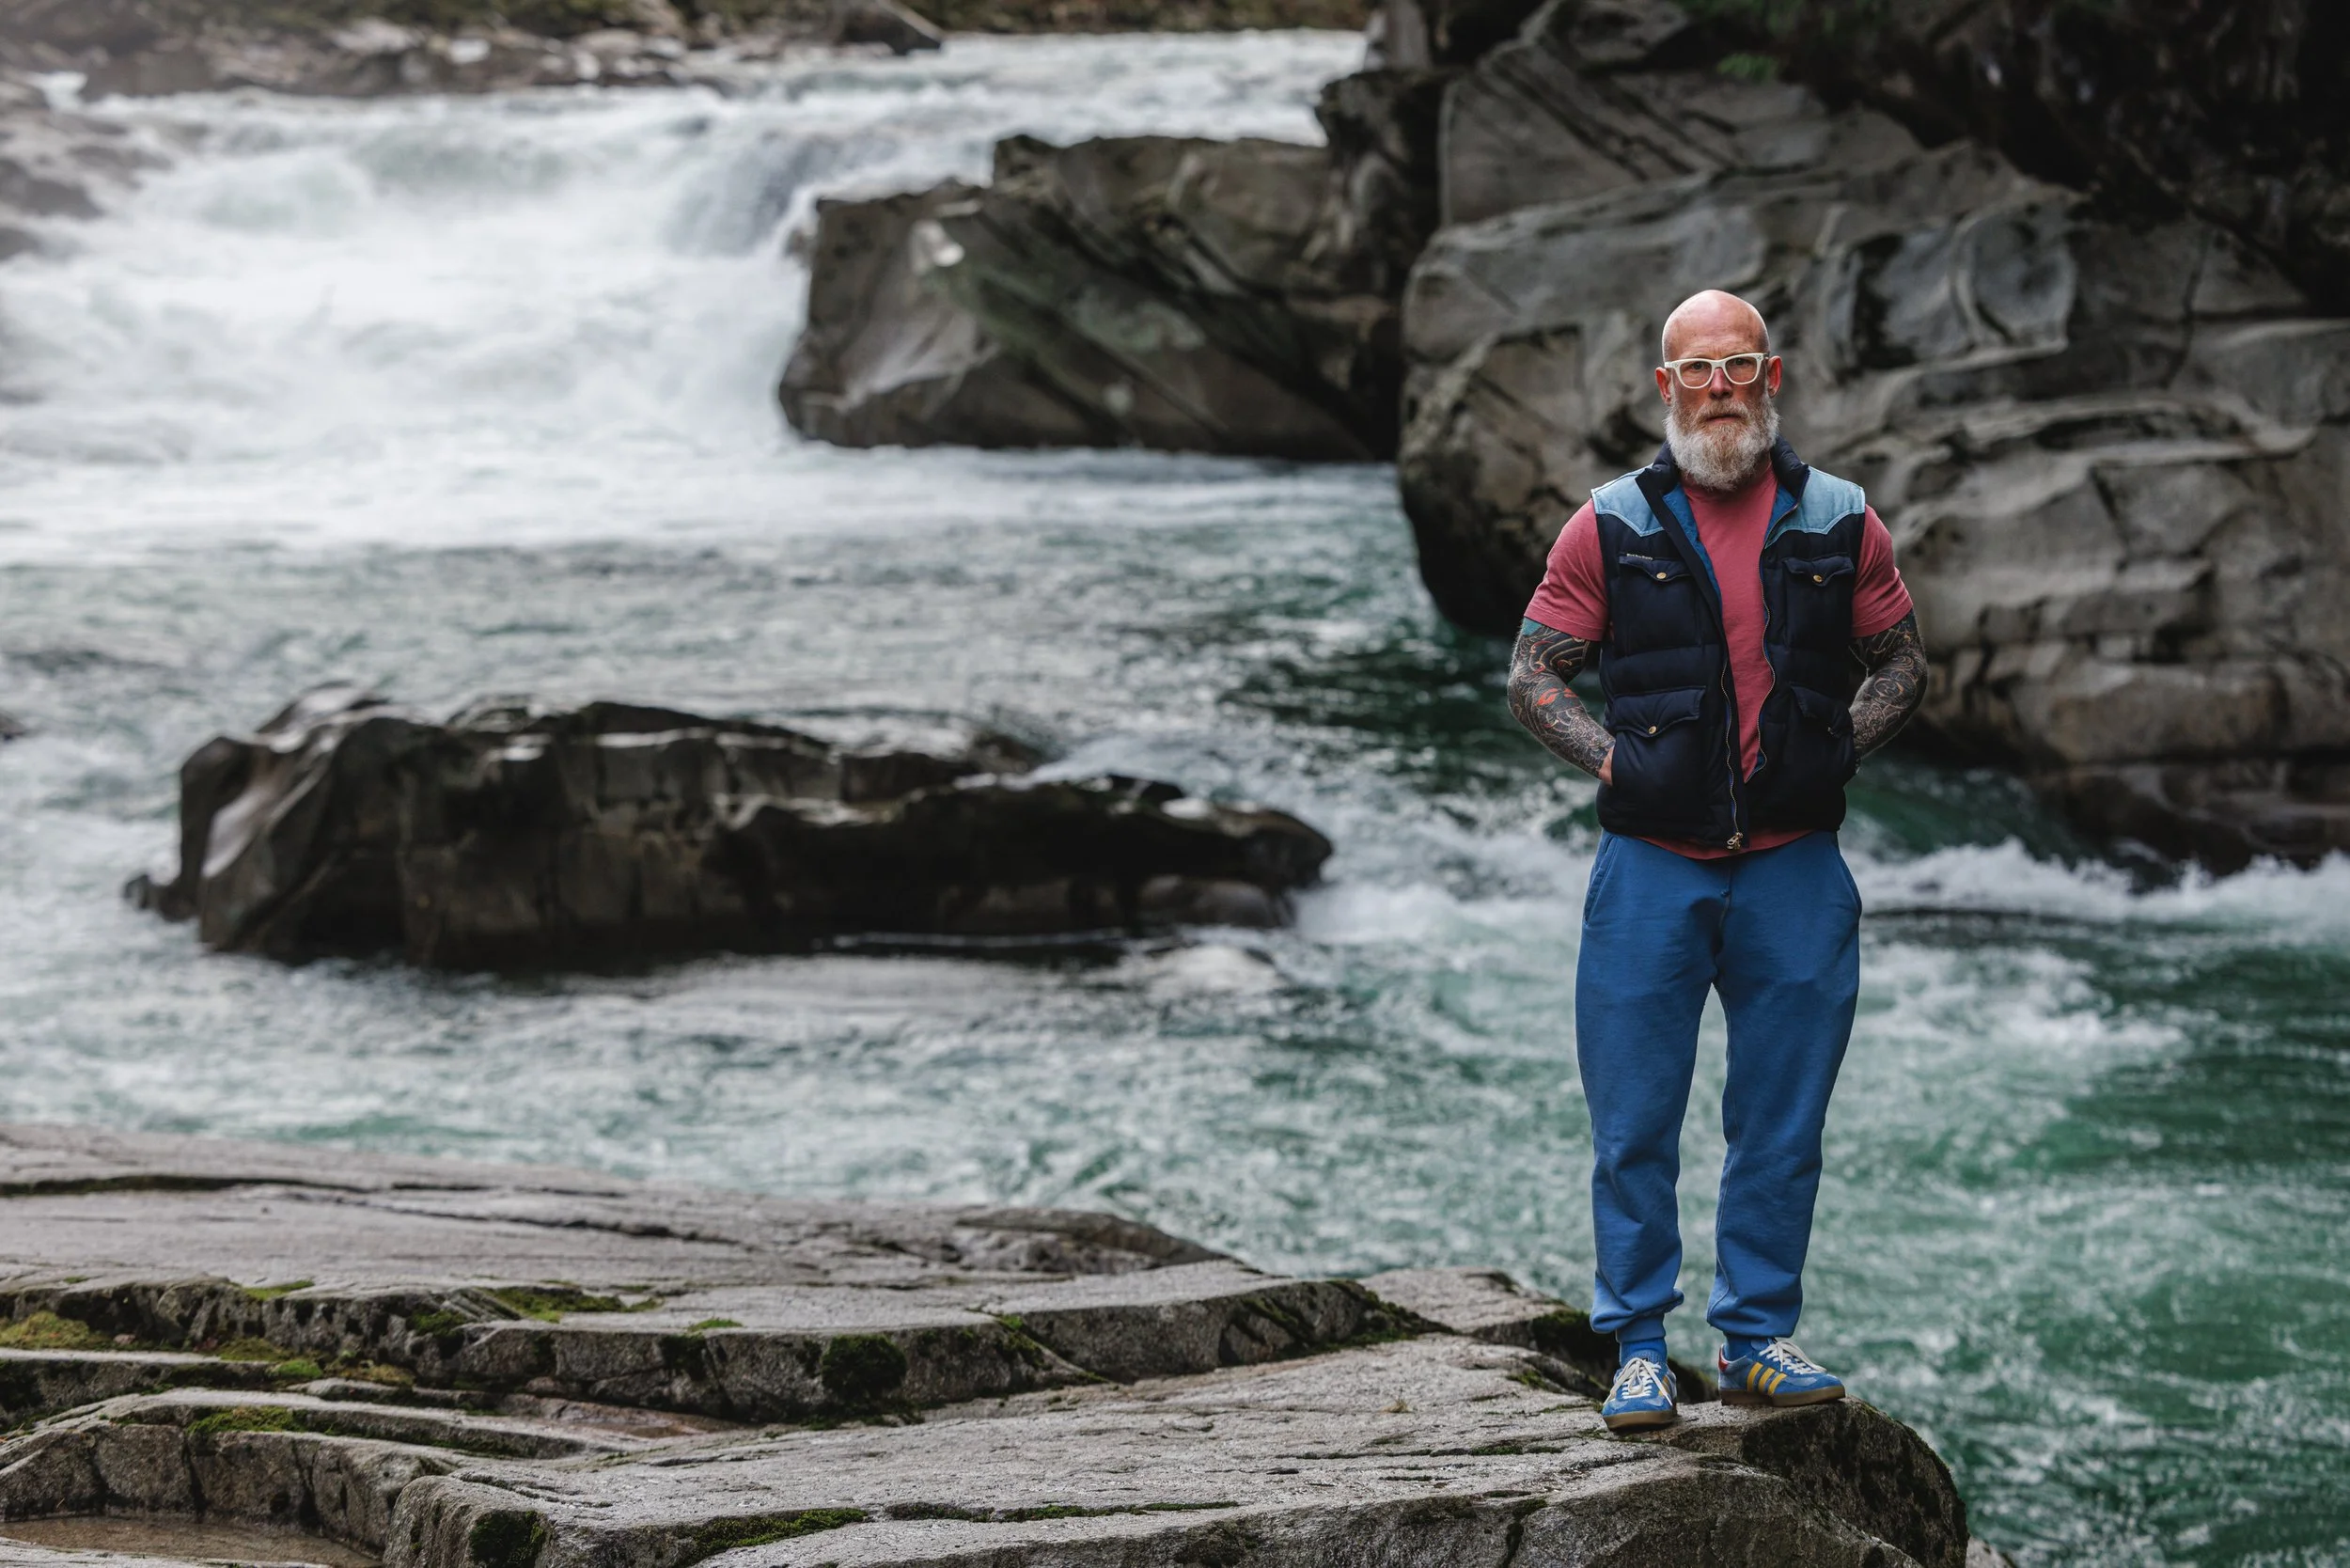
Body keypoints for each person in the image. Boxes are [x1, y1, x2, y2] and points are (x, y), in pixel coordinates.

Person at [1504, 290, 1928, 1432]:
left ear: (1772, 375)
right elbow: (1533, 673)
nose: (1718, 390)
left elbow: (1899, 662)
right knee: (1634, 1122)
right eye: (1695, 372)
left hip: (1795, 870)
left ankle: (1754, 1338)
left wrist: (1837, 741)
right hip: (1650, 868)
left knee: (1781, 1125)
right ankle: (1638, 1346)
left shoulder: (1839, 518)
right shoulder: (1608, 523)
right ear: (1664, 388)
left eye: (1737, 367)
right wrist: (1615, 765)